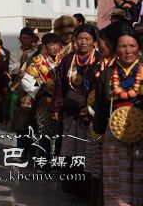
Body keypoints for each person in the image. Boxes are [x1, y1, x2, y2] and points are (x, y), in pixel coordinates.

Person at [93, 29, 142, 206]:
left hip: (142, 133)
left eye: (132, 46)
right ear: (116, 49)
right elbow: (100, 105)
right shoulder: (107, 74)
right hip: (114, 132)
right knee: (115, 178)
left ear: (138, 48)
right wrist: (98, 131)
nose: (127, 51)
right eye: (122, 46)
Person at [52, 24, 100, 200]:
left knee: (89, 152)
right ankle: (73, 188)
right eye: (80, 38)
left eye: (87, 39)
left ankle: (88, 191)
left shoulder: (99, 59)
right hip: (71, 113)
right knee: (71, 151)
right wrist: (57, 107)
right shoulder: (68, 59)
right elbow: (59, 85)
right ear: (74, 40)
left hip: (90, 114)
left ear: (94, 42)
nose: (83, 42)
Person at [86, 22, 129, 206]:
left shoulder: (114, 71)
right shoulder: (104, 67)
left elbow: (103, 105)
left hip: (120, 131)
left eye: (102, 41)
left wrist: (98, 126)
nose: (99, 45)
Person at [20, 33, 62, 169]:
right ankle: (43, 162)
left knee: (60, 133)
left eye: (57, 44)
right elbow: (25, 82)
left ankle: (57, 162)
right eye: (51, 45)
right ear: (45, 46)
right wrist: (39, 90)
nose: (55, 48)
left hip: (60, 102)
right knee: (44, 133)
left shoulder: (63, 60)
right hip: (45, 102)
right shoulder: (37, 62)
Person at [7, 27, 40, 152]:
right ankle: (22, 149)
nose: (26, 40)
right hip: (19, 88)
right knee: (20, 120)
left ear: (32, 39)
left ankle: (32, 149)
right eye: (23, 38)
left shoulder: (37, 52)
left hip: (33, 88)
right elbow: (12, 69)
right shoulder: (15, 52)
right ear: (20, 39)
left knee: (33, 120)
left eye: (28, 38)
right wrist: (22, 63)